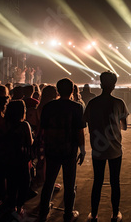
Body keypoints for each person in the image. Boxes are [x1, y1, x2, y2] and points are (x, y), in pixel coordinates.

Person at [37, 78, 86, 222]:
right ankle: (68, 213)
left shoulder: (48, 106)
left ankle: (43, 211)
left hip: (51, 148)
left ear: (57, 90)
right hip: (69, 149)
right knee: (69, 182)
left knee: (49, 182)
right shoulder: (77, 107)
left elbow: (42, 128)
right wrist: (82, 150)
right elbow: (79, 131)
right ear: (72, 90)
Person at [84, 71, 129, 222]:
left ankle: (94, 214)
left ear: (100, 84)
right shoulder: (119, 103)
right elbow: (124, 126)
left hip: (97, 149)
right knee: (115, 182)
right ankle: (115, 214)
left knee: (97, 182)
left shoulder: (92, 103)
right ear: (114, 85)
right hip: (115, 149)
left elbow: (87, 123)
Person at [0, 100, 34, 216]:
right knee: (24, 183)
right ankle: (19, 207)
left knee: (11, 182)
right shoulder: (24, 125)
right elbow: (30, 142)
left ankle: (11, 206)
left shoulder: (3, 124)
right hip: (21, 158)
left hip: (8, 158)